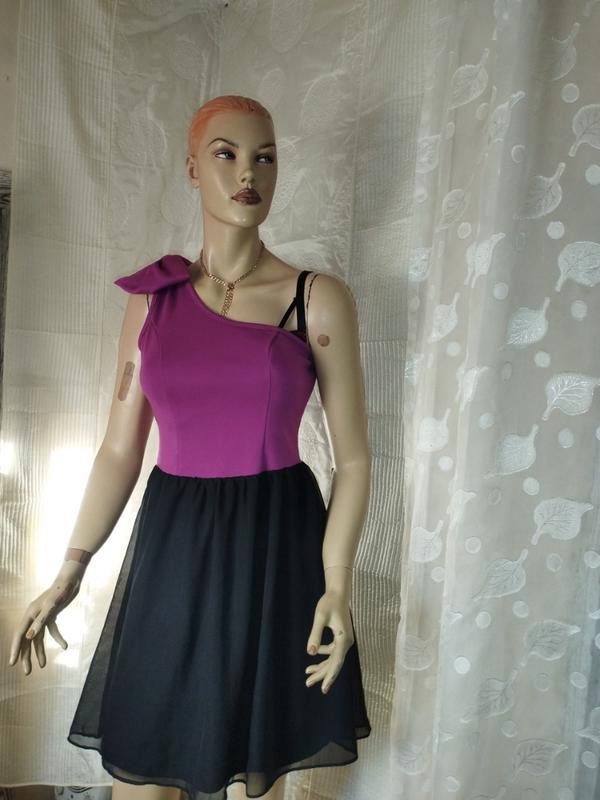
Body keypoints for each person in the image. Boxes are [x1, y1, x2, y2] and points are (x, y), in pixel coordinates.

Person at [8, 95, 372, 800]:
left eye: (265, 157)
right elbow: (119, 450)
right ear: (192, 168)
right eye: (226, 154)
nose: (248, 173)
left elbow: (353, 459)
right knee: (145, 764)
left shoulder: (314, 299)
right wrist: (70, 569)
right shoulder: (154, 300)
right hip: (172, 542)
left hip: (275, 544)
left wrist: (337, 583)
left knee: (253, 764)